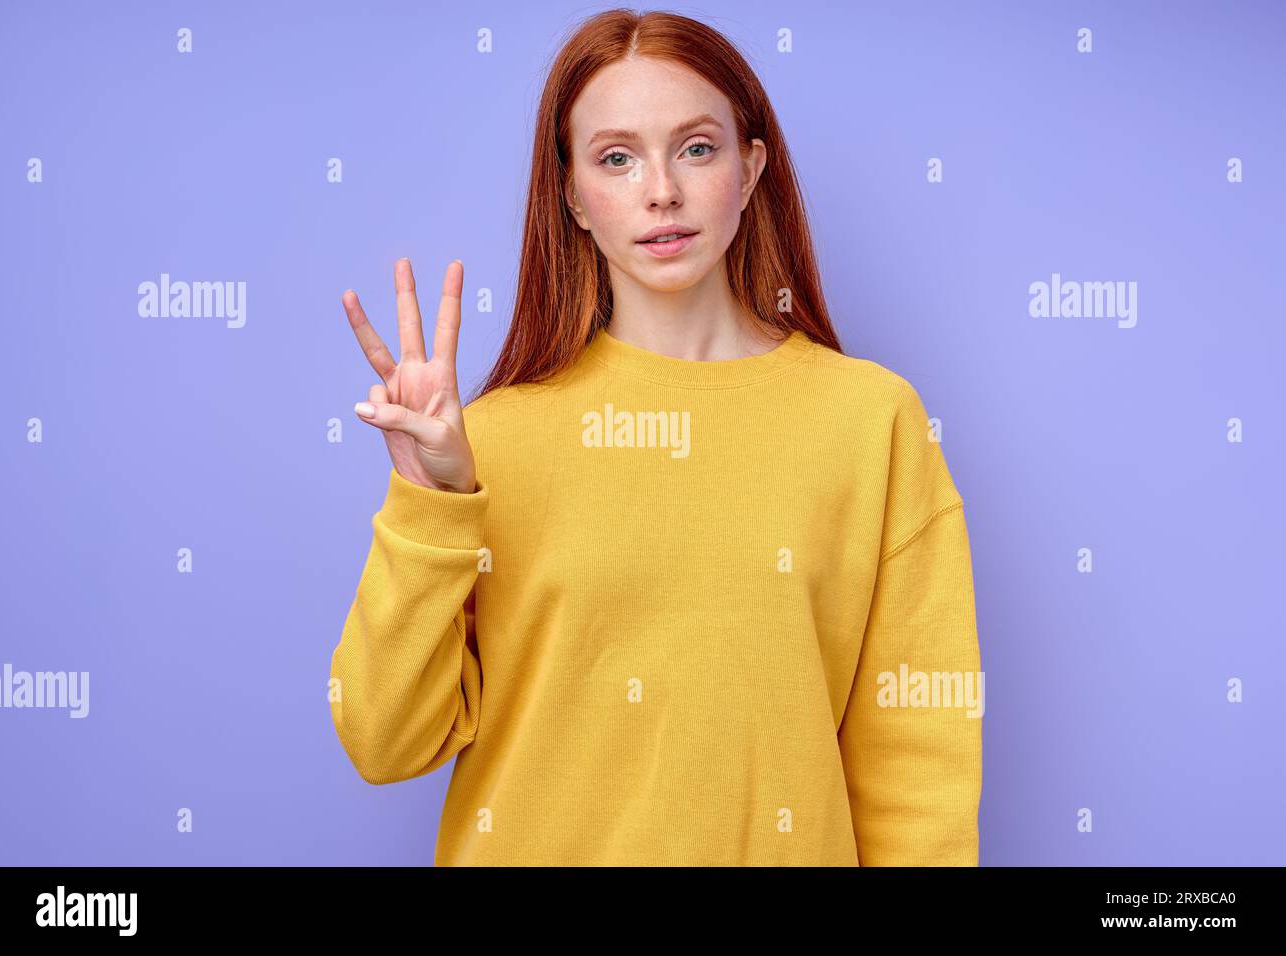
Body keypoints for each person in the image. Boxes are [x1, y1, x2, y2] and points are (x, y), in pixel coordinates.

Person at [329, 8, 982, 866]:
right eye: (617, 157)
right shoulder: (483, 446)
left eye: (697, 148)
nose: (661, 190)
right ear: (571, 195)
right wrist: (429, 504)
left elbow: (918, 770)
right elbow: (384, 744)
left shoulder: (871, 421)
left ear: (751, 170)